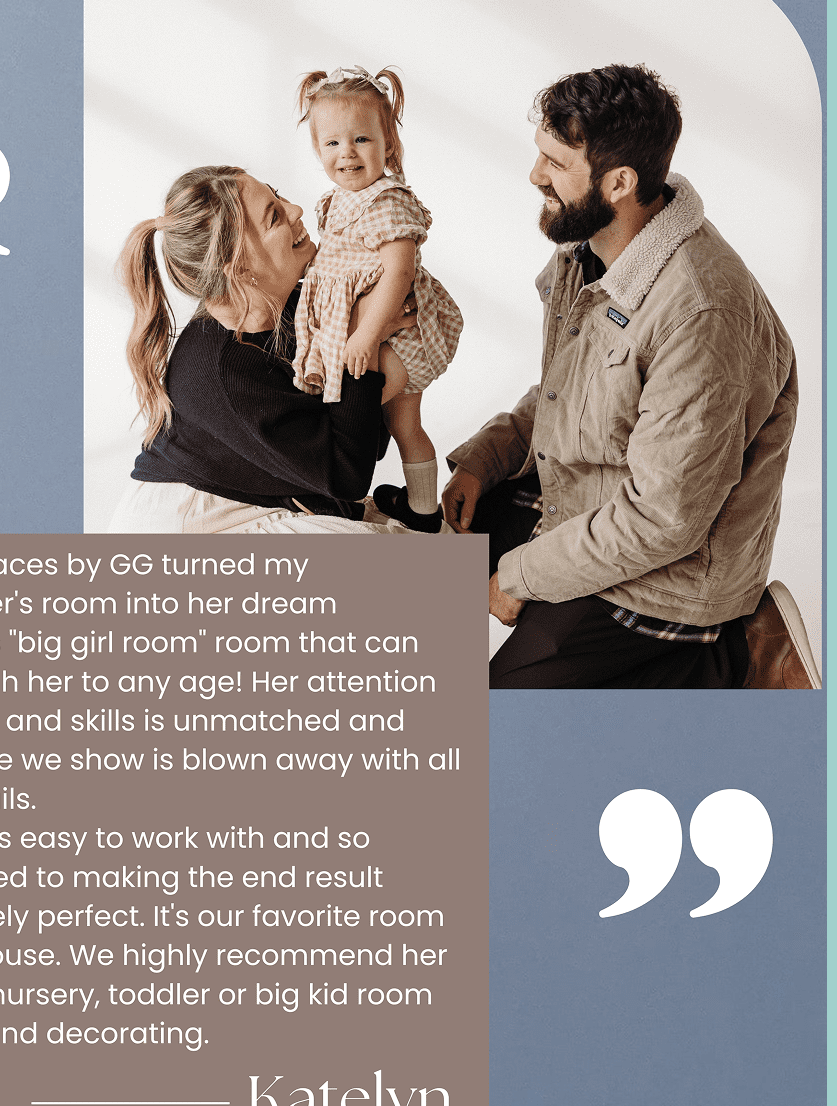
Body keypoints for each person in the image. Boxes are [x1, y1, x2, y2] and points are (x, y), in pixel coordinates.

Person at [443, 63, 819, 689]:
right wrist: (486, 458)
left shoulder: (703, 311)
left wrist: (518, 576)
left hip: (664, 574)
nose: (535, 175)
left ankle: (734, 656)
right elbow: (572, 393)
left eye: (555, 163)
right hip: (585, 507)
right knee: (417, 552)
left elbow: (662, 519)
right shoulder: (588, 243)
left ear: (618, 181)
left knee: (492, 727)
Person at [109, 165, 418, 535]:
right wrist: (361, 337)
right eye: (275, 216)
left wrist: (369, 326)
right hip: (189, 525)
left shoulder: (294, 306)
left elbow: (361, 437)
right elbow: (347, 472)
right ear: (241, 270)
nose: (296, 211)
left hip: (266, 500)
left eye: (279, 196)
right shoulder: (225, 369)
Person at [292, 66, 462, 533]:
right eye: (332, 143)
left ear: (389, 142)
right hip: (373, 332)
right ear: (317, 147)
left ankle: (333, 499)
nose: (346, 153)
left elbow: (399, 271)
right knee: (404, 426)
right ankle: (423, 511)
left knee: (344, 413)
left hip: (399, 335)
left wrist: (367, 333)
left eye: (362, 140)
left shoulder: (386, 200)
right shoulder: (334, 201)